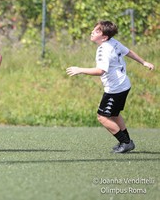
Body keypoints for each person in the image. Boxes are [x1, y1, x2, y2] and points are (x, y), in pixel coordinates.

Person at [66, 20, 154, 153]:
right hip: (123, 84)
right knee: (114, 115)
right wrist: (144, 62)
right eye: (94, 29)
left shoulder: (103, 49)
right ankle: (126, 142)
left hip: (115, 88)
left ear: (104, 37)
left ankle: (125, 142)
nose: (92, 32)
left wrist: (80, 70)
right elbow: (128, 51)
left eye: (96, 31)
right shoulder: (113, 42)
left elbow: (100, 70)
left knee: (102, 117)